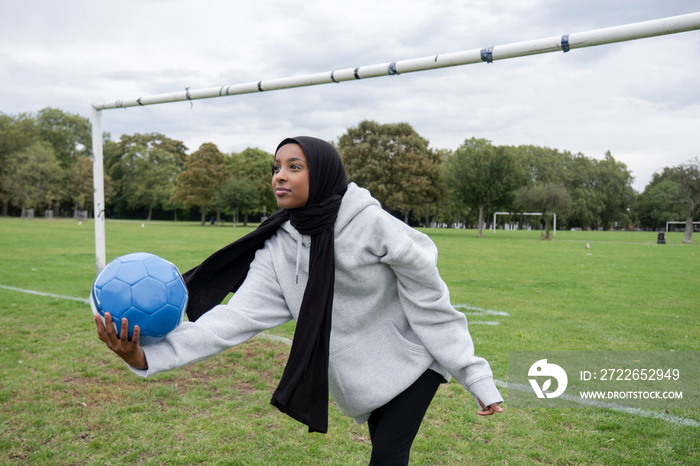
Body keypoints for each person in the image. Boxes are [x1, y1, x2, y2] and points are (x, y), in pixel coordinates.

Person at [95, 136, 503, 465]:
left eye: (294, 167)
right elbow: (231, 320)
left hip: (416, 359)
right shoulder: (278, 249)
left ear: (322, 173)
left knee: (387, 456)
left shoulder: (372, 225)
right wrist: (146, 358)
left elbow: (431, 302)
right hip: (363, 378)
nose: (280, 176)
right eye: (276, 168)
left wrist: (475, 376)